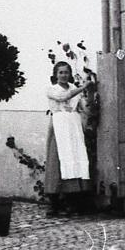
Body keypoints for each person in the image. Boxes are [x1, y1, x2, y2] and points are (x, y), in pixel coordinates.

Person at [45, 61, 93, 216]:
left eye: (66, 72)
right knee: (57, 161)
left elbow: (83, 107)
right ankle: (54, 202)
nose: (64, 75)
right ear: (55, 74)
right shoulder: (52, 89)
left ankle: (72, 201)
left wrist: (89, 94)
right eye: (60, 72)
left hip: (73, 125)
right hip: (59, 126)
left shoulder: (74, 88)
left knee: (75, 158)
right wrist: (83, 87)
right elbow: (62, 97)